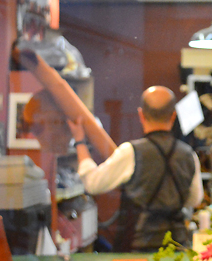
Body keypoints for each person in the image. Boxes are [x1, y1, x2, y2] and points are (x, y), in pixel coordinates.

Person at [68, 86, 203, 251]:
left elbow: (93, 183)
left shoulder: (130, 152)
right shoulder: (189, 154)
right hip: (177, 246)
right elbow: (194, 199)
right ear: (173, 116)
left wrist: (80, 141)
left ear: (141, 115)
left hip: (138, 249)